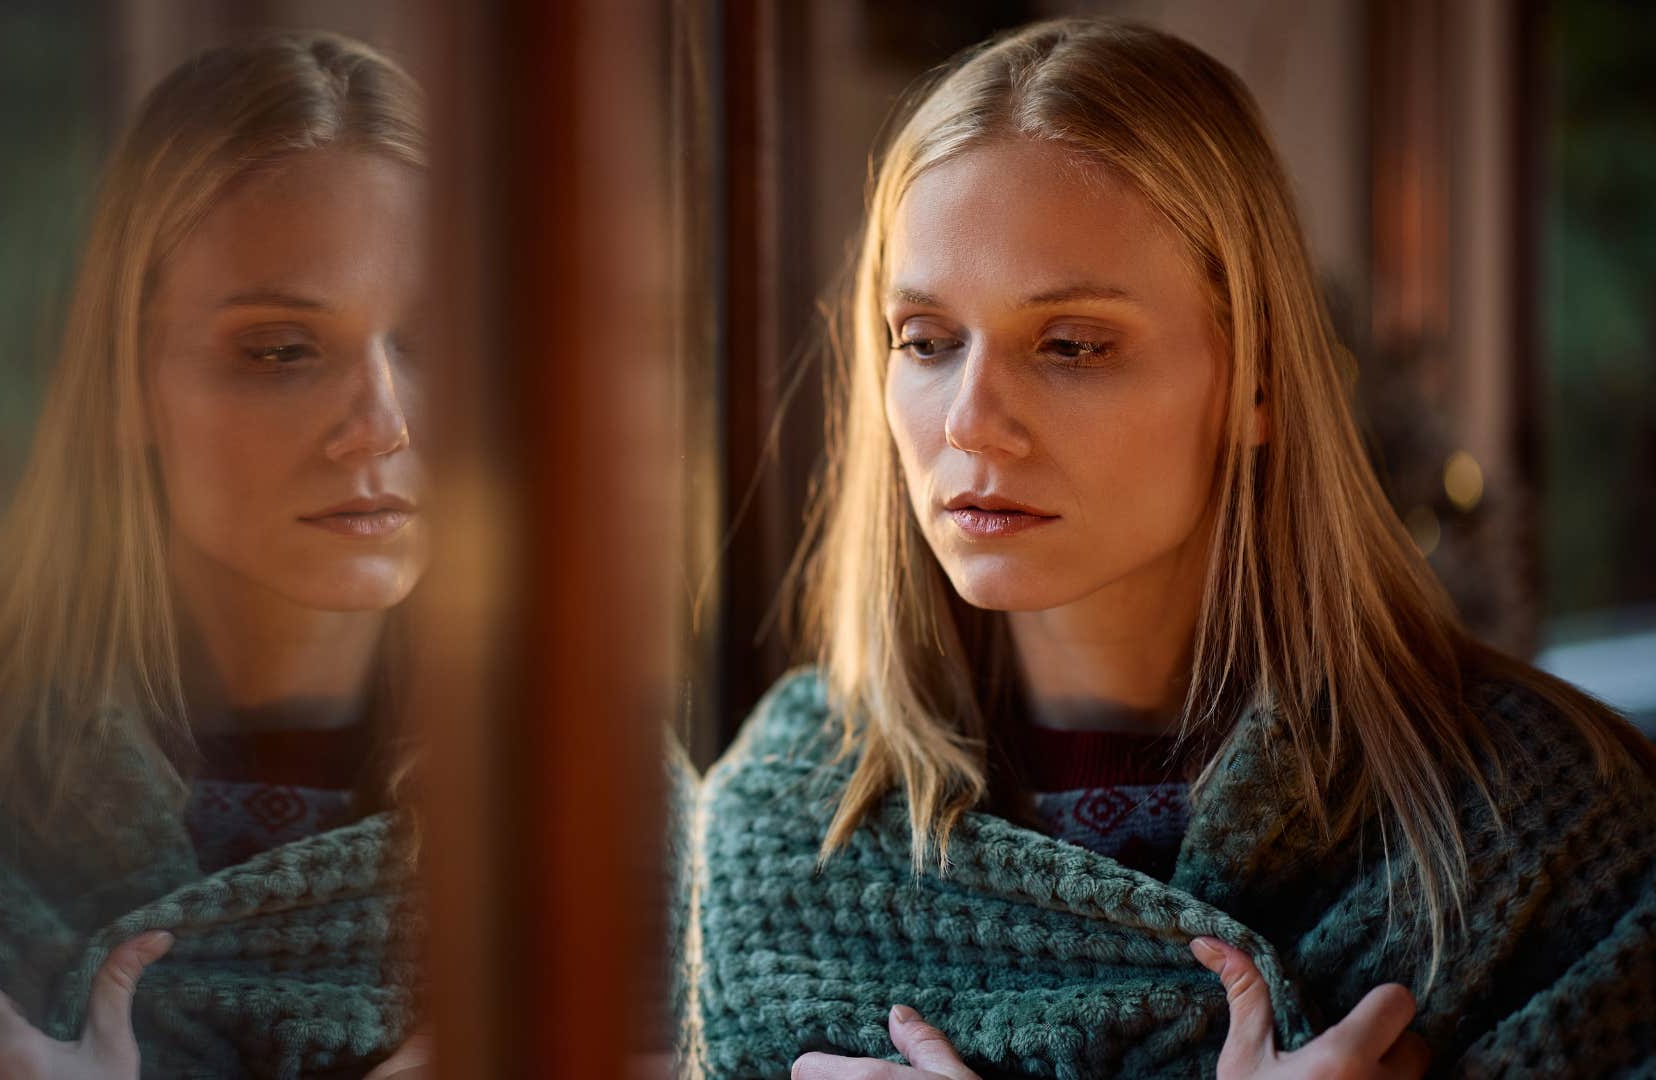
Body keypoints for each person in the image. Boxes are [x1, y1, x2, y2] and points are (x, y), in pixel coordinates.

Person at [682, 17, 1656, 1079]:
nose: (968, 420)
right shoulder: (786, 828)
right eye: (926, 341)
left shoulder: (1554, 830)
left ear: (1259, 383)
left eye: (1071, 346)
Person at [0, 31, 431, 1079]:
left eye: (434, 344)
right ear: (124, 380)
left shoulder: (610, 818)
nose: (383, 426)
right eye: (283, 350)